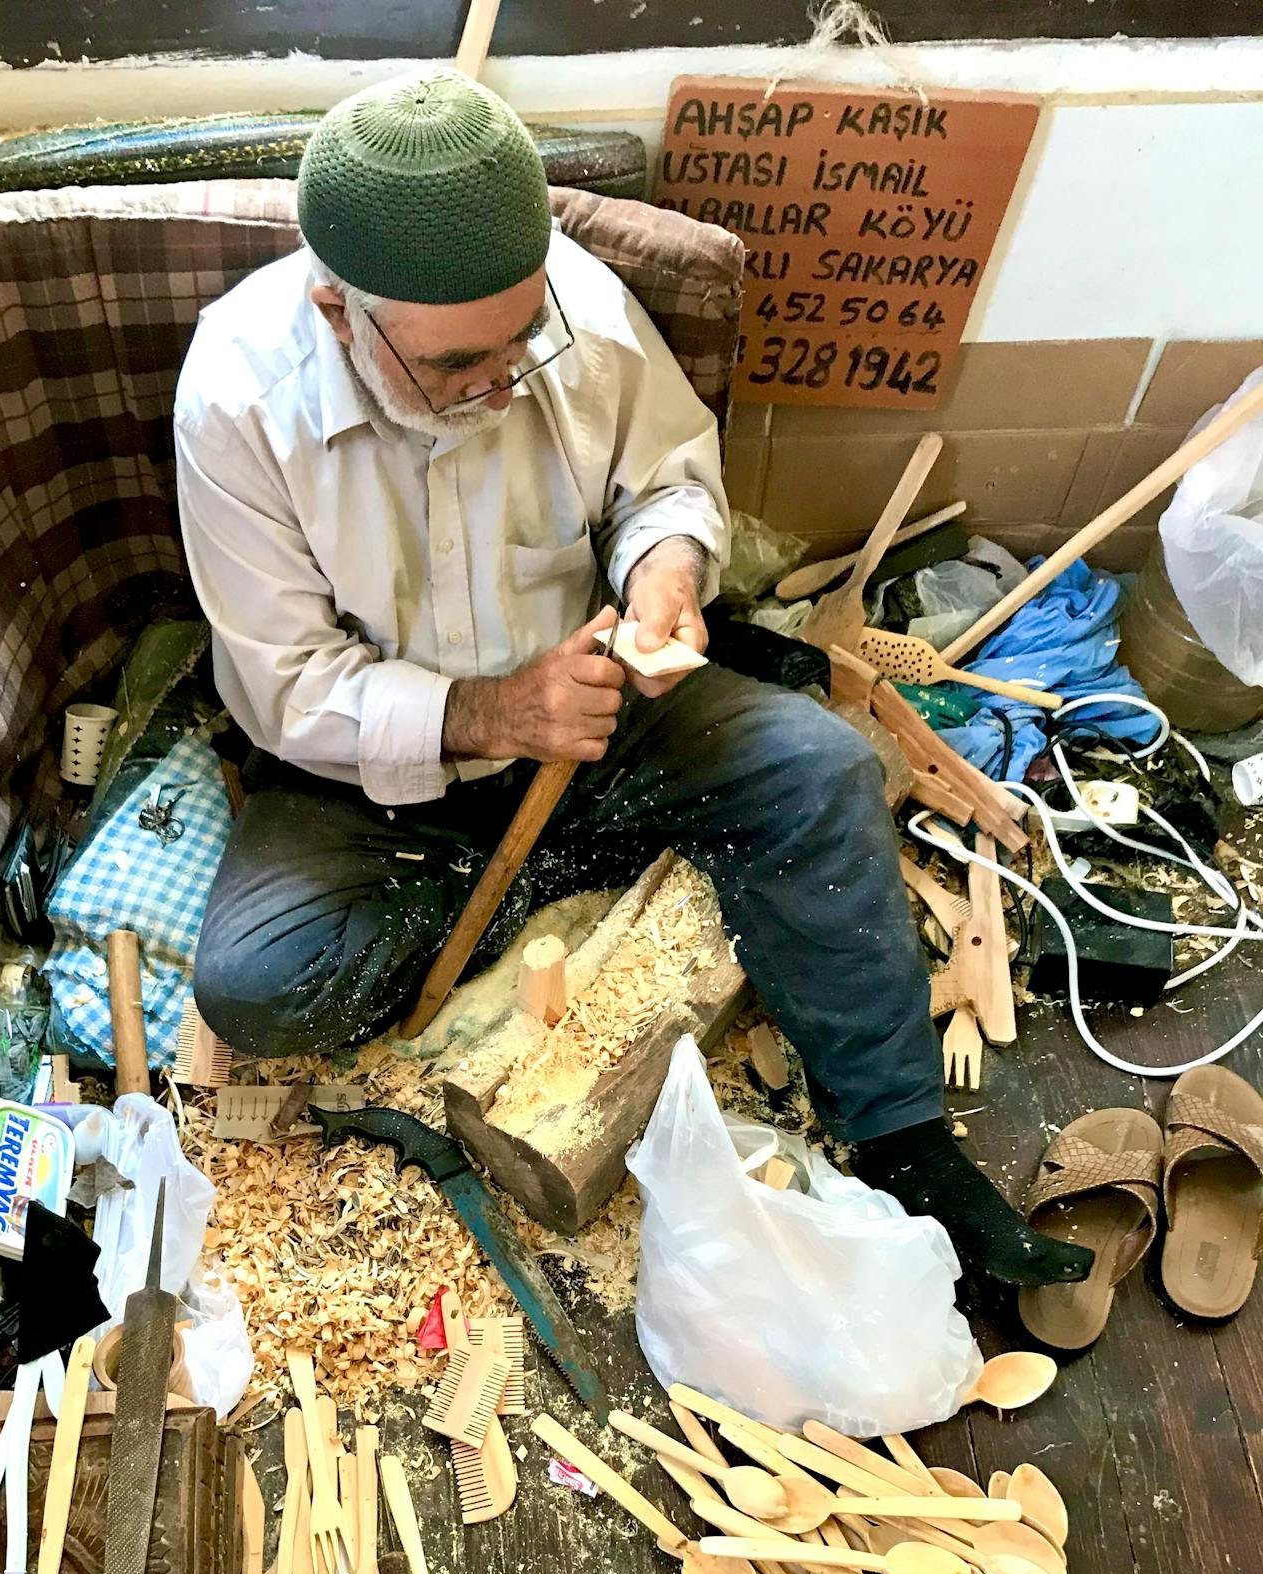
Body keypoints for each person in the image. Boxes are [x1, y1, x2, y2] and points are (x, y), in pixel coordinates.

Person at [173, 70, 1090, 1291]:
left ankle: (909, 1146)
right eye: (458, 365)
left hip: (605, 711)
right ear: (339, 312)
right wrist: (493, 711)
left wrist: (666, 573)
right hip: (369, 777)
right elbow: (288, 684)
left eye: (519, 342)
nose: (502, 383)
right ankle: (543, 889)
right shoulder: (237, 396)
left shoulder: (577, 311)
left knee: (818, 768)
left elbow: (664, 478)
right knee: (254, 984)